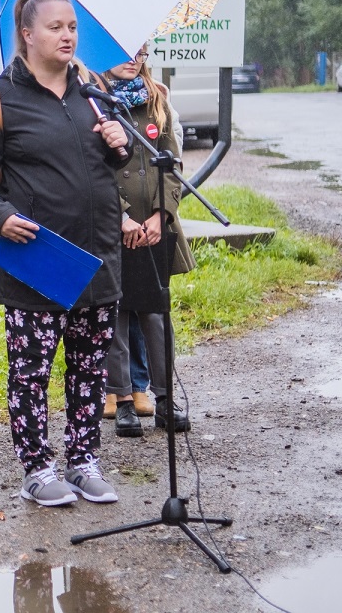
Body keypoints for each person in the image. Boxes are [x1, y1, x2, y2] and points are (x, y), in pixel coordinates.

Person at [0, 0, 132, 507]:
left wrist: (117, 146)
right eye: (56, 27)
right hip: (40, 258)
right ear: (28, 35)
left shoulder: (93, 94)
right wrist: (0, 216)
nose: (68, 35)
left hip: (98, 253)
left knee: (89, 367)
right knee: (31, 371)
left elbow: (106, 169)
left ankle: (83, 461)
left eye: (73, 26)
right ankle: (37, 469)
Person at [97, 48, 194, 437]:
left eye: (141, 51)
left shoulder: (157, 99)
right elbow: (95, 169)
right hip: (112, 227)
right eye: (124, 51)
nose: (134, 58)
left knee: (155, 314)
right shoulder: (92, 101)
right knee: (116, 314)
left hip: (154, 226)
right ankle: (122, 401)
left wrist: (160, 215)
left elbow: (172, 163)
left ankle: (166, 399)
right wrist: (121, 218)